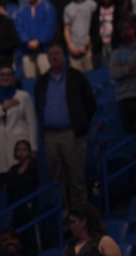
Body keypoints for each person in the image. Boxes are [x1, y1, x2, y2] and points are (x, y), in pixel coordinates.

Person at [34, 44, 97, 213]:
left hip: (70, 133)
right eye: (51, 54)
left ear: (64, 57)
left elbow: (90, 104)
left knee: (76, 177)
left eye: (57, 53)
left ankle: (83, 215)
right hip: (49, 136)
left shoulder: (76, 77)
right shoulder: (41, 82)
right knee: (56, 179)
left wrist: (81, 124)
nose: (54, 57)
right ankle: (63, 217)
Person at [0, 64, 37, 188]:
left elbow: (31, 123)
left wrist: (33, 147)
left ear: (14, 77)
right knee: (1, 184)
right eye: (2, 75)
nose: (5, 77)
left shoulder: (23, 97)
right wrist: (3, 108)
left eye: (8, 75)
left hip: (18, 146)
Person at [16, 0, 58, 79]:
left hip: (44, 52)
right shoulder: (21, 10)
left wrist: (39, 40)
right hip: (27, 52)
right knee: (30, 81)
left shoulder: (48, 7)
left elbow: (49, 27)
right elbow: (19, 29)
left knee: (48, 79)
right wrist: (27, 41)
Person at [63, 0, 97, 72]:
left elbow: (95, 27)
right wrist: (70, 46)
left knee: (90, 77)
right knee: (76, 78)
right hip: (73, 50)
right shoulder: (68, 8)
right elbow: (67, 29)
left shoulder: (92, 5)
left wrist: (86, 45)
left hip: (88, 49)